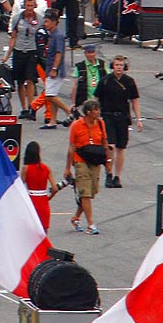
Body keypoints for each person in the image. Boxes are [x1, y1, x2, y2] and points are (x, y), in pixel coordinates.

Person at [95, 55, 142, 188]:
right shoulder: (105, 81)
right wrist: (95, 116)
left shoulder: (129, 82)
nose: (119, 68)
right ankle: (109, 173)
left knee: (121, 148)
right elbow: (96, 98)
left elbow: (134, 101)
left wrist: (138, 119)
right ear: (112, 67)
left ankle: (117, 176)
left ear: (124, 67)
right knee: (111, 146)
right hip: (108, 116)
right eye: (116, 65)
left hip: (122, 117)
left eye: (121, 65)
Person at [66, 99, 107, 235]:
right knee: (85, 192)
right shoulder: (76, 125)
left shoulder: (101, 124)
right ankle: (91, 224)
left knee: (92, 191)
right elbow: (71, 147)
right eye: (96, 110)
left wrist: (108, 163)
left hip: (95, 160)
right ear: (88, 112)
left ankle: (76, 217)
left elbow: (105, 143)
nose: (98, 112)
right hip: (80, 160)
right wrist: (67, 168)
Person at [22, 140, 54, 233]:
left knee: (30, 230)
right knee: (44, 231)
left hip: (31, 199)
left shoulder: (26, 168)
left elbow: (21, 185)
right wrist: (48, 198)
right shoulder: (46, 168)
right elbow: (55, 188)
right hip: (43, 199)